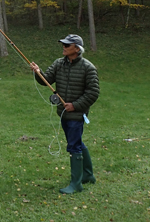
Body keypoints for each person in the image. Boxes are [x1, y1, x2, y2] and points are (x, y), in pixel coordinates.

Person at [29, 34, 100, 194]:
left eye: (67, 45)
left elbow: (93, 92)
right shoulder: (59, 64)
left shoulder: (88, 67)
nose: (63, 47)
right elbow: (46, 80)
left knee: (74, 145)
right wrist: (37, 72)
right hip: (62, 113)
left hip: (76, 114)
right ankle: (88, 176)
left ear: (76, 48)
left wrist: (75, 105)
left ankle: (76, 184)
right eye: (63, 44)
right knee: (78, 142)